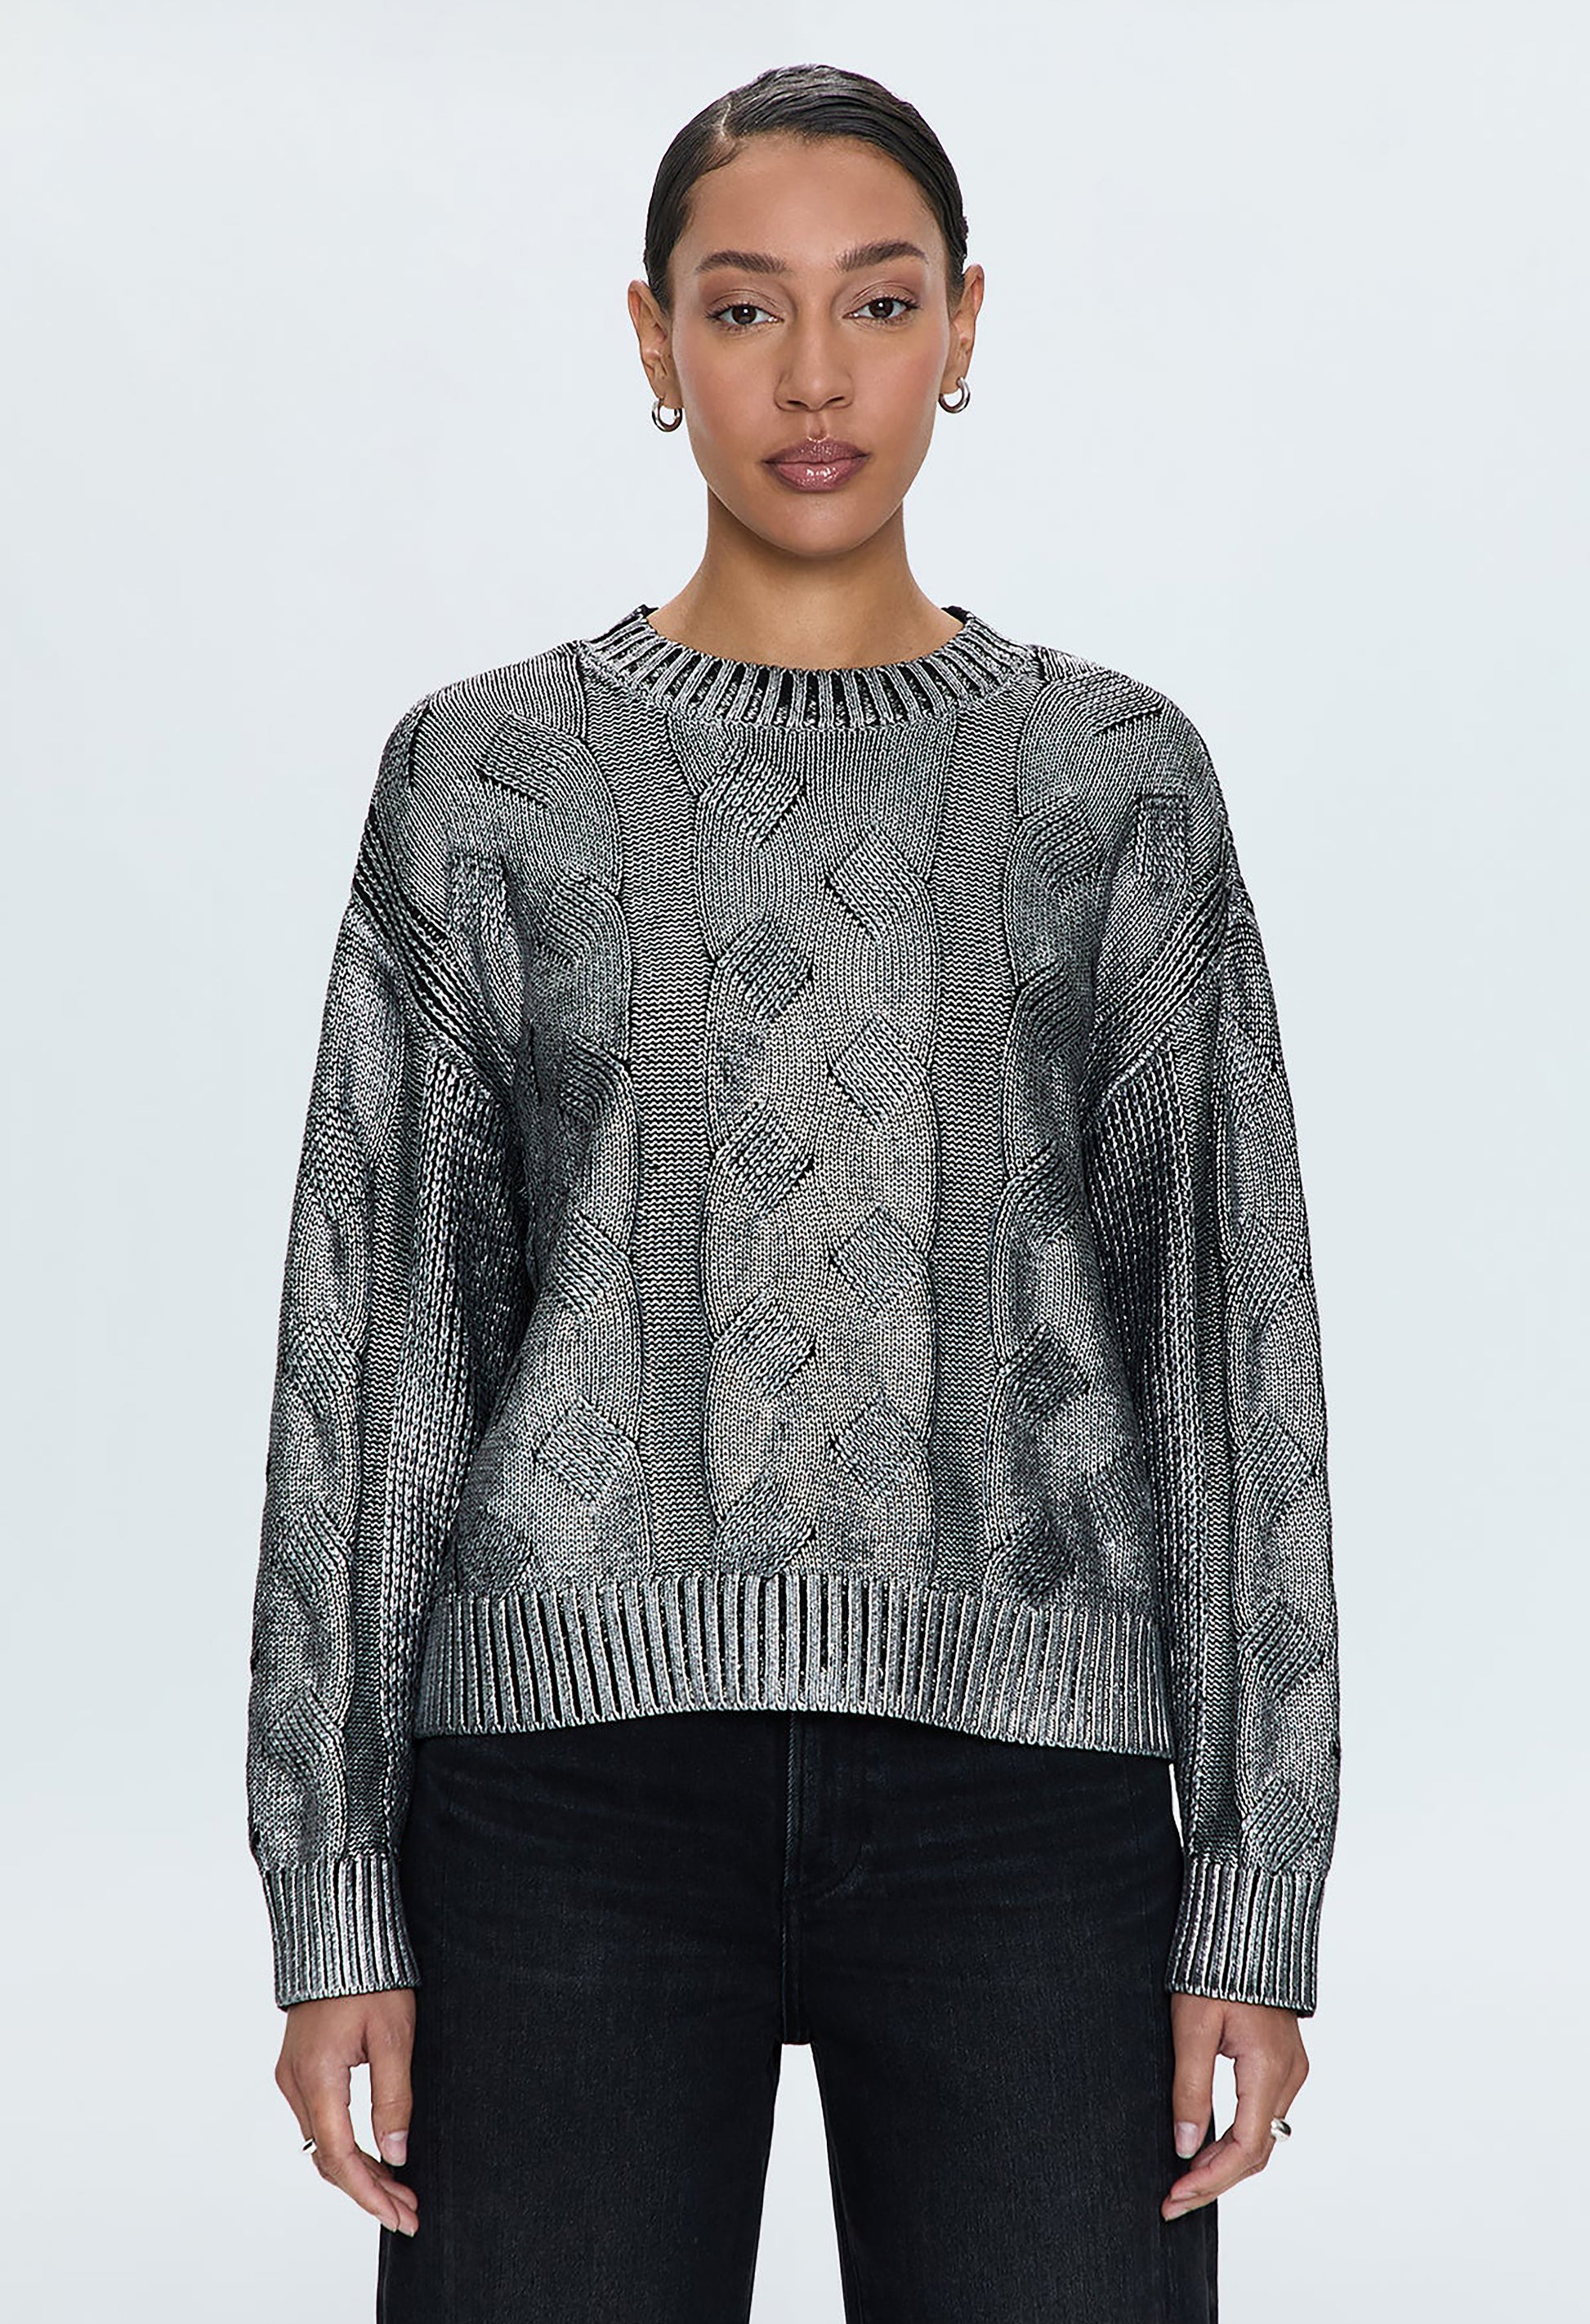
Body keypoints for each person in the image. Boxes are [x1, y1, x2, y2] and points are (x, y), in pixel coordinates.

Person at [245, 59, 1341, 2324]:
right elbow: (379, 1342)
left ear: (965, 327)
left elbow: (1227, 1344)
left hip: (1028, 1800)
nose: (815, 377)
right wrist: (334, 1891)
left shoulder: (1114, 780)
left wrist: (1254, 1889)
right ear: (654, 340)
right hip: (561, 1802)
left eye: (879, 302)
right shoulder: (484, 778)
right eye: (745, 310)